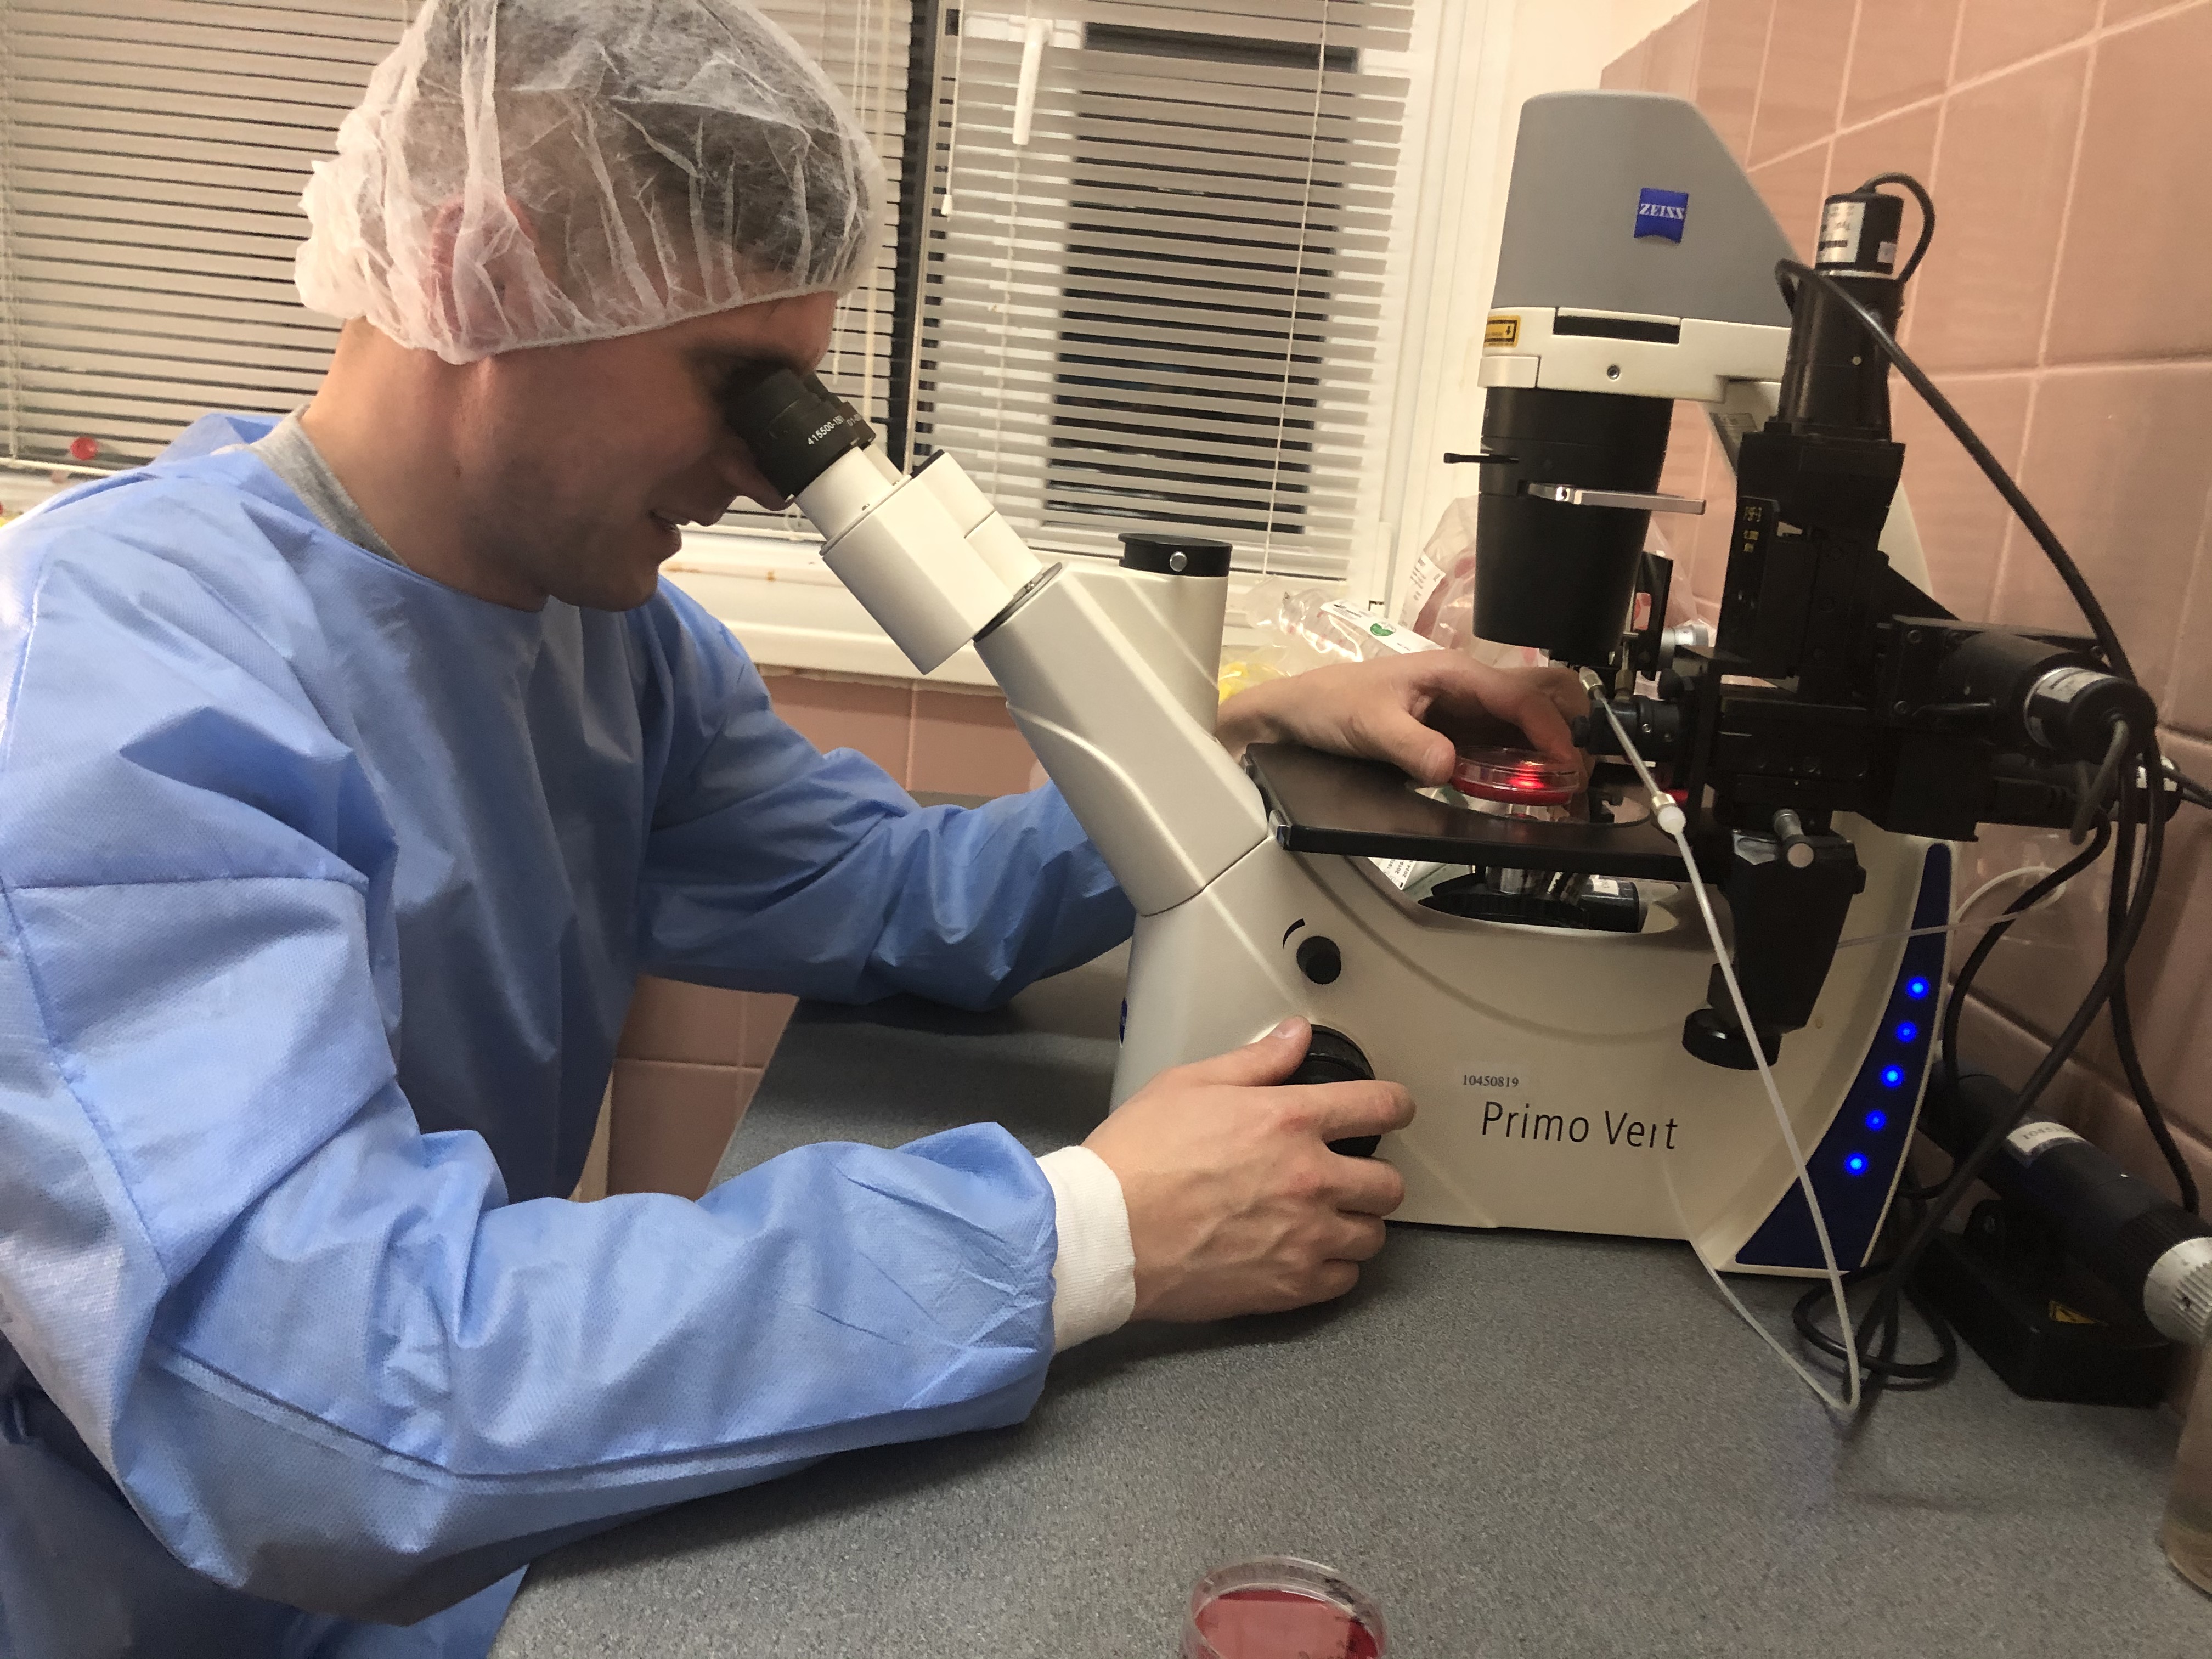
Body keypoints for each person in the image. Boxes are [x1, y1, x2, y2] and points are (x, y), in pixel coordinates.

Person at [0, 4, 1587, 1655]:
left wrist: (1236, 739)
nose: (770, 477)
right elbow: (314, 1399)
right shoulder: (115, 681)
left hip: (443, 1567)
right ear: (484, 275)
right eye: (737, 385)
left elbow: (896, 894)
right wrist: (1085, 1232)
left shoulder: (610, 645)